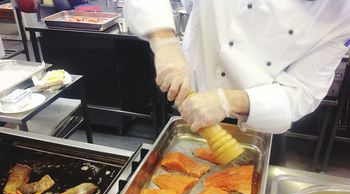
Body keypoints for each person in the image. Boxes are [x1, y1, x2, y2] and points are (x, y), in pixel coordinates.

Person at [124, 0, 350, 134]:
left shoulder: (343, 15)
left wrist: (227, 101)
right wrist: (164, 41)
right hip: (188, 103)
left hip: (256, 124)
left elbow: (303, 92)